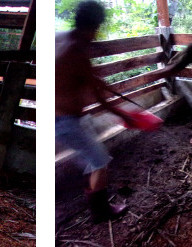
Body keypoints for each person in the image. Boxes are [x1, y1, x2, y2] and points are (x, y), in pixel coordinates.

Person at [56, 0, 129, 222]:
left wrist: (96, 80)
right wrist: (124, 115)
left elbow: (83, 78)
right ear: (95, 26)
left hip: (66, 119)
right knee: (100, 162)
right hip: (65, 121)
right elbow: (99, 98)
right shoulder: (77, 52)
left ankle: (96, 203)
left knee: (92, 159)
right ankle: (101, 212)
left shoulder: (62, 38)